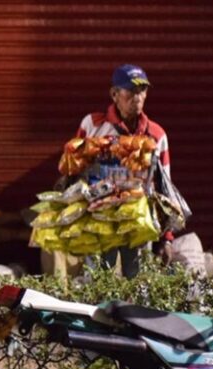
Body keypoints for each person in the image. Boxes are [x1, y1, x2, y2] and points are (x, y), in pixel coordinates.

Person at [73, 64, 173, 278]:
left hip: (137, 225)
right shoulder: (92, 126)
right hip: (99, 223)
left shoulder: (156, 136)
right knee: (97, 284)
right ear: (114, 94)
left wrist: (166, 238)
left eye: (142, 91)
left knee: (136, 285)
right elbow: (73, 169)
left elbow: (165, 192)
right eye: (131, 91)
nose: (137, 97)